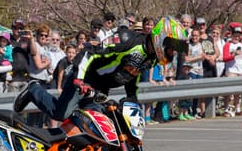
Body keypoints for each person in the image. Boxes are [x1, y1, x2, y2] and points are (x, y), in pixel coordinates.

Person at [13, 16, 189, 129]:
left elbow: (132, 76)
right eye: (172, 46)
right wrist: (80, 79)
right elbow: (90, 52)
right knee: (61, 114)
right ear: (161, 38)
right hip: (84, 75)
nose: (173, 52)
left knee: (99, 128)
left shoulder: (151, 58)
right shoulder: (128, 40)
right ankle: (34, 90)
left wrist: (132, 98)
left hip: (101, 88)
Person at [222, 25, 242, 116]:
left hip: (240, 71)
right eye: (235, 35)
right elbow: (225, 58)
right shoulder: (227, 45)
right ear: (232, 35)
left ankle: (237, 108)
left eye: (238, 36)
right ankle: (226, 109)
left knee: (238, 92)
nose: (236, 38)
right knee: (229, 91)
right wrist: (233, 55)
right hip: (231, 70)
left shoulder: (241, 45)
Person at [9, 19, 33, 93]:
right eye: (16, 28)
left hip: (25, 78)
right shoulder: (6, 39)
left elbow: (33, 52)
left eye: (20, 28)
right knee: (12, 102)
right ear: (12, 28)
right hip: (12, 78)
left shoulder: (26, 40)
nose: (18, 30)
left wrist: (31, 39)